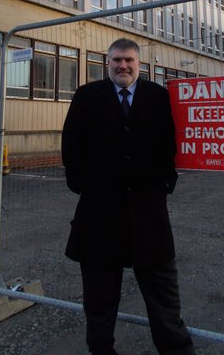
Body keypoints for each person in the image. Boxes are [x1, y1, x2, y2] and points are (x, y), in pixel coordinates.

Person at [62, 38, 195, 355]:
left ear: (139, 64)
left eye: (129, 60)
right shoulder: (87, 96)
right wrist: (83, 185)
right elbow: (71, 145)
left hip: (148, 216)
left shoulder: (158, 97)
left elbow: (168, 144)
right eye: (117, 60)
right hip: (99, 217)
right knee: (99, 304)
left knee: (164, 304)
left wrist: (165, 183)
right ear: (107, 63)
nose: (123, 65)